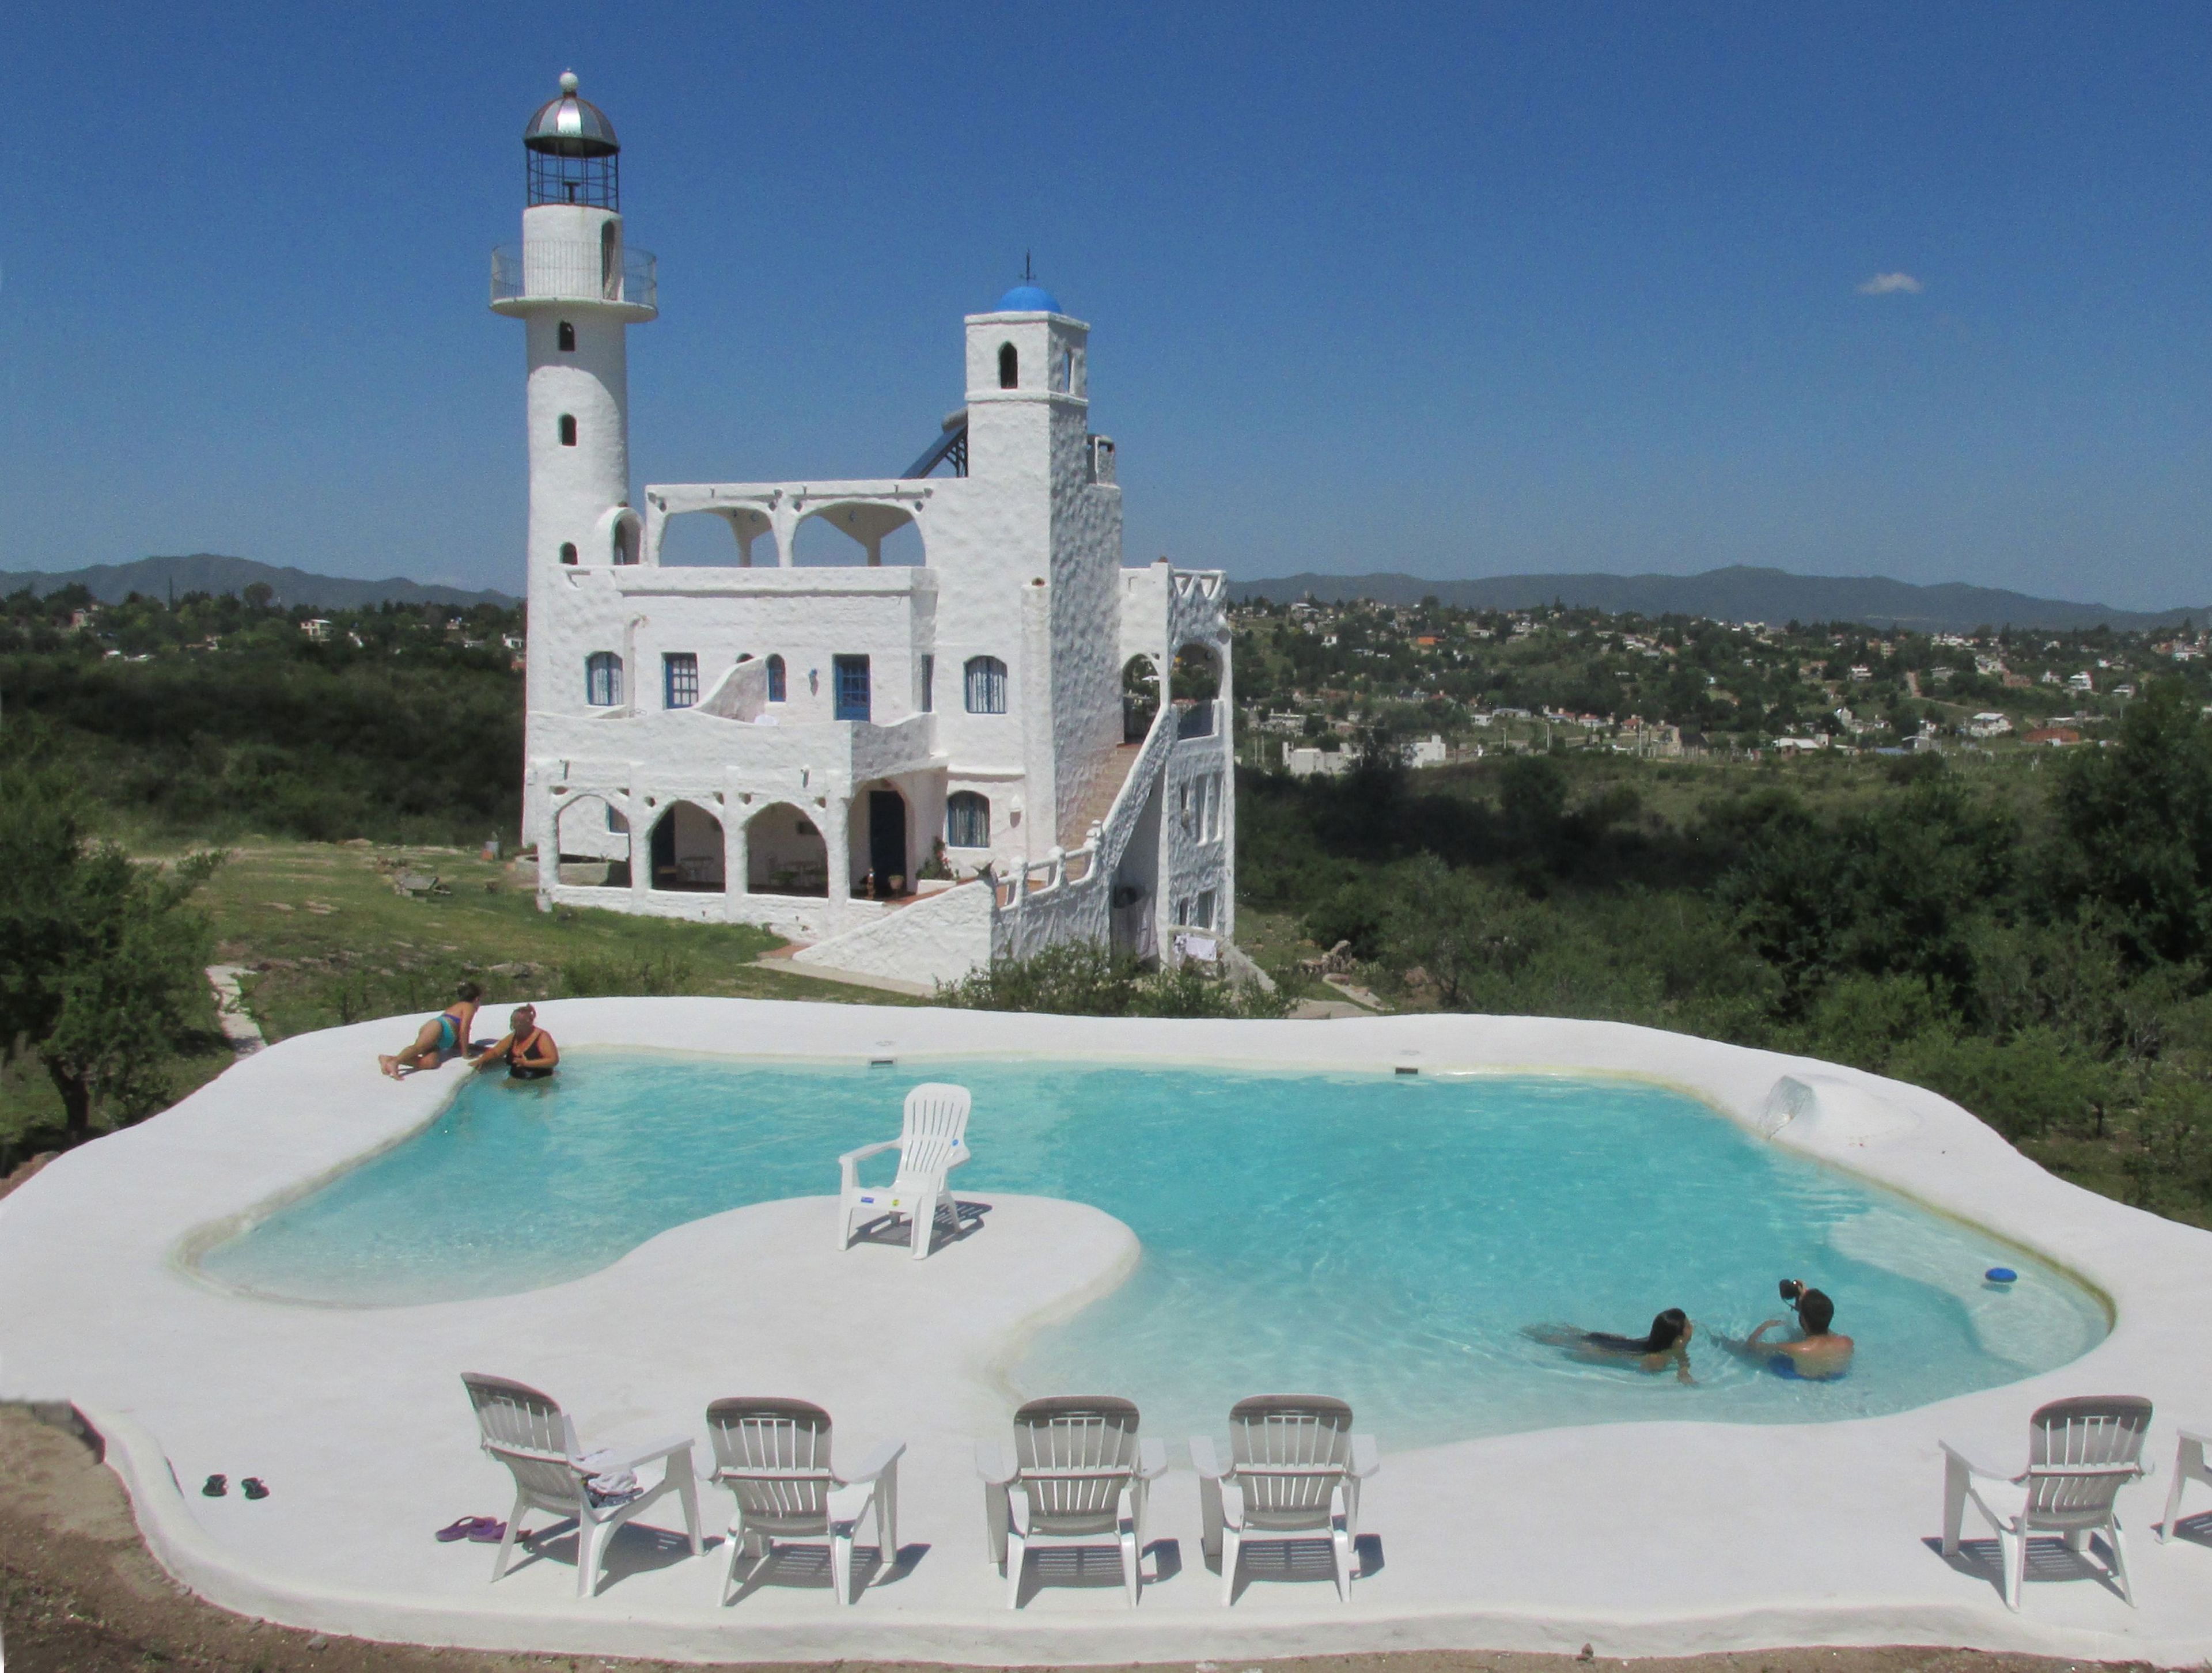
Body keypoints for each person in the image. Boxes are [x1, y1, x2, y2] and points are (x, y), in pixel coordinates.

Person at [1725, 1279, 1855, 1379]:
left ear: (1803, 1319)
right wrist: (1806, 1302)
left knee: (1740, 1349)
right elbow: (1821, 1321)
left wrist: (1764, 1327)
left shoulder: (1795, 1348)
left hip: (1798, 1375)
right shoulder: (1847, 1342)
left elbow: (1751, 1347)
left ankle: (1713, 1338)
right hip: (1835, 1375)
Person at [1526, 1308, 1696, 1383]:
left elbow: (1681, 1356)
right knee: (1565, 1344)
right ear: (1678, 1340)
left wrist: (1684, 1371)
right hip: (1599, 1350)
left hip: (1611, 1340)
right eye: (1688, 1326)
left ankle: (1536, 1333)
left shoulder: (1665, 1344)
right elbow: (1643, 1374)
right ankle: (1530, 1336)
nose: (1692, 1327)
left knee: (1580, 1335)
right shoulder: (1657, 1359)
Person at [378, 982, 482, 1079]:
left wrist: (477, 1048)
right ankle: (396, 1062)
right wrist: (466, 1054)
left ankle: (389, 1059)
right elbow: (464, 1030)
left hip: (439, 1039)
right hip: (439, 1027)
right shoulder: (469, 1007)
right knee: (418, 1048)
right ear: (477, 999)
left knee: (430, 1063)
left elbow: (458, 1040)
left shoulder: (460, 1007)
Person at [469, 1004, 559, 1080]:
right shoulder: (514, 1036)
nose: (515, 1026)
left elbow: (553, 1060)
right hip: (516, 1080)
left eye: (519, 1023)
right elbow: (496, 1052)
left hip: (542, 1081)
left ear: (530, 1022)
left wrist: (527, 1063)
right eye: (513, 1022)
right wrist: (481, 1060)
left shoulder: (542, 1037)